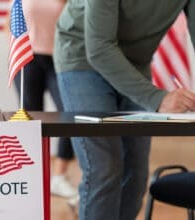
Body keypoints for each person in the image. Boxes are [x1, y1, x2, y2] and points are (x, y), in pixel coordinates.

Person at [54, 1, 195, 220]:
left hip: (135, 63)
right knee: (105, 167)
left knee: (136, 175)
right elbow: (99, 48)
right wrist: (158, 98)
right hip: (83, 58)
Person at [13, 0, 78, 205]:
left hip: (60, 58)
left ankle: (59, 175)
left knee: (70, 114)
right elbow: (10, 23)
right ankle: (32, 179)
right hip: (27, 57)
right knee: (30, 119)